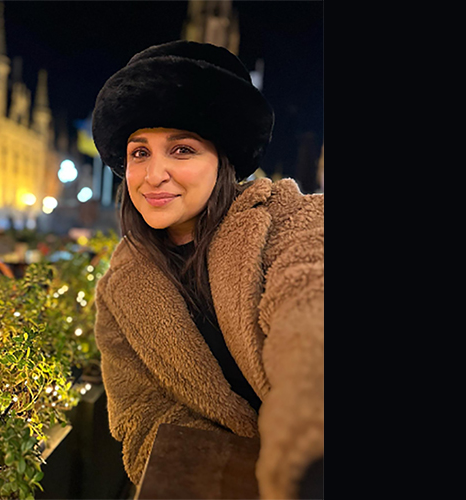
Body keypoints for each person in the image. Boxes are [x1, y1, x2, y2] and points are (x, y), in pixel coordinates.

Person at [91, 41, 323, 499]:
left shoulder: (289, 220)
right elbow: (142, 417)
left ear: (223, 161)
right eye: (140, 153)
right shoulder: (121, 288)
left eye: (182, 149)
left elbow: (309, 312)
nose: (154, 174)